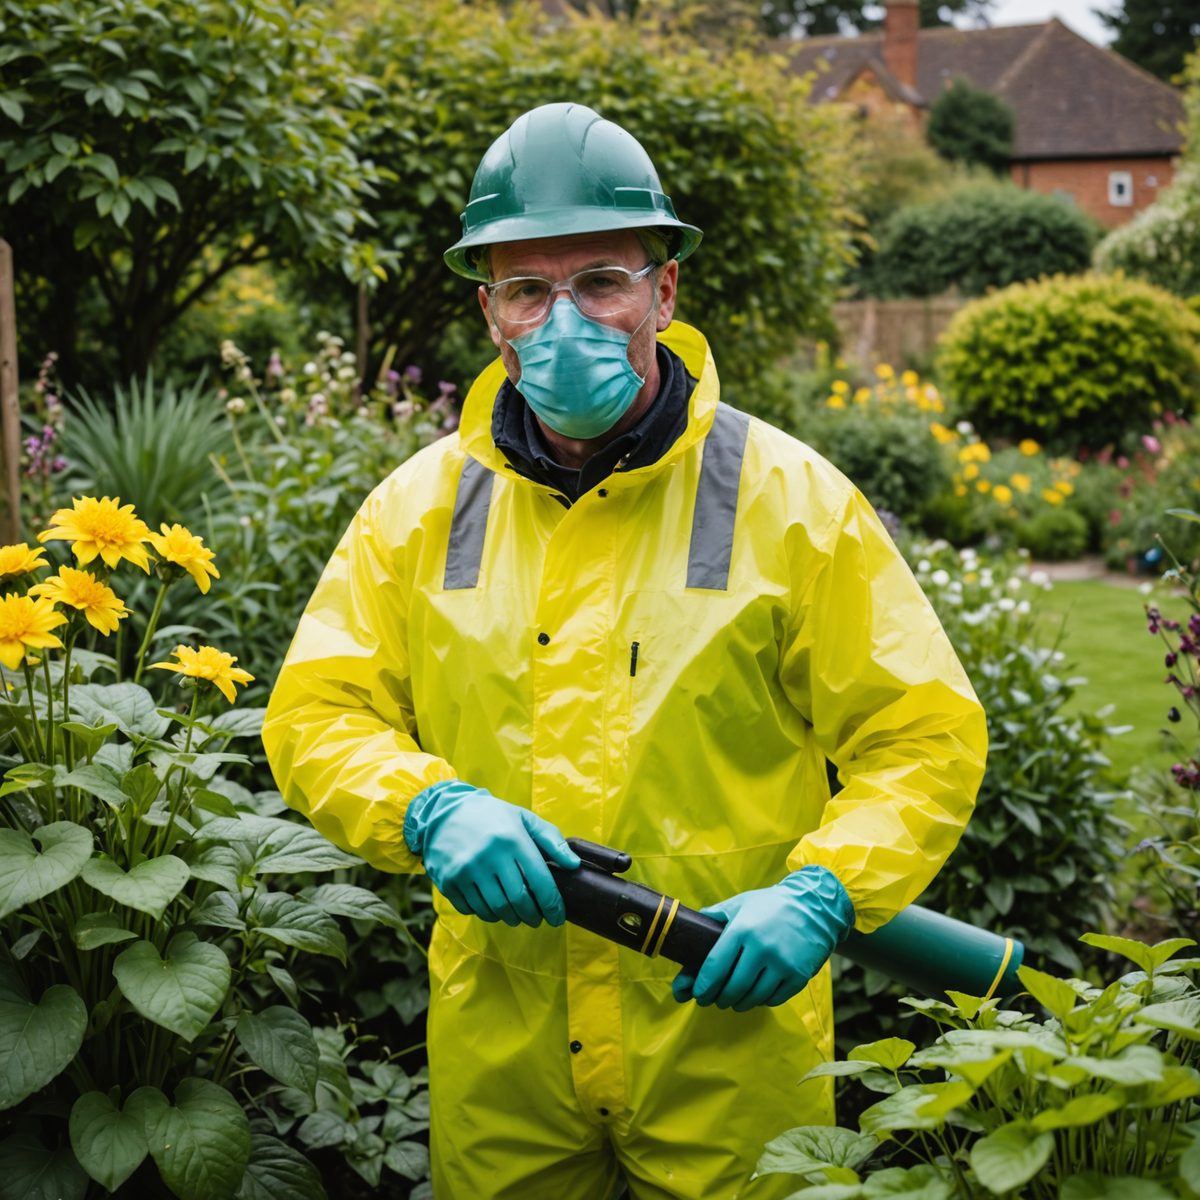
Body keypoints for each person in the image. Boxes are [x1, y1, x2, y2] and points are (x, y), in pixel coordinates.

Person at [262, 102, 987, 1200]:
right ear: (490, 312)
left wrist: (826, 891)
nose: (566, 321)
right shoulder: (418, 512)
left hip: (729, 1040)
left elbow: (920, 734)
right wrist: (426, 804)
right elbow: (318, 713)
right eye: (528, 290)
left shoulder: (789, 502)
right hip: (501, 1056)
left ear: (665, 290)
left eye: (601, 279)